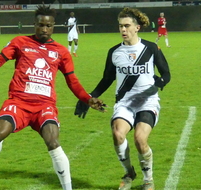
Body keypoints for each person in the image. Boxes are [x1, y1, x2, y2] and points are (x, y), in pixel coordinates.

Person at [0, 4, 106, 190]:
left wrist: (88, 99)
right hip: (18, 102)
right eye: (41, 25)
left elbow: (72, 81)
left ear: (53, 26)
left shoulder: (61, 51)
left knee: (53, 141)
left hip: (44, 106)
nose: (44, 29)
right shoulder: (20, 42)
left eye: (48, 26)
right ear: (34, 24)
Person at [74, 7, 171, 190]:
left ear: (137, 28)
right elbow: (107, 79)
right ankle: (129, 172)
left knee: (139, 139)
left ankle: (148, 180)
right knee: (118, 134)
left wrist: (159, 83)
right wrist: (89, 98)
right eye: (120, 26)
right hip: (125, 102)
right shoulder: (114, 52)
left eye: (127, 26)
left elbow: (166, 74)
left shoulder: (150, 48)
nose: (123, 30)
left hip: (147, 101)